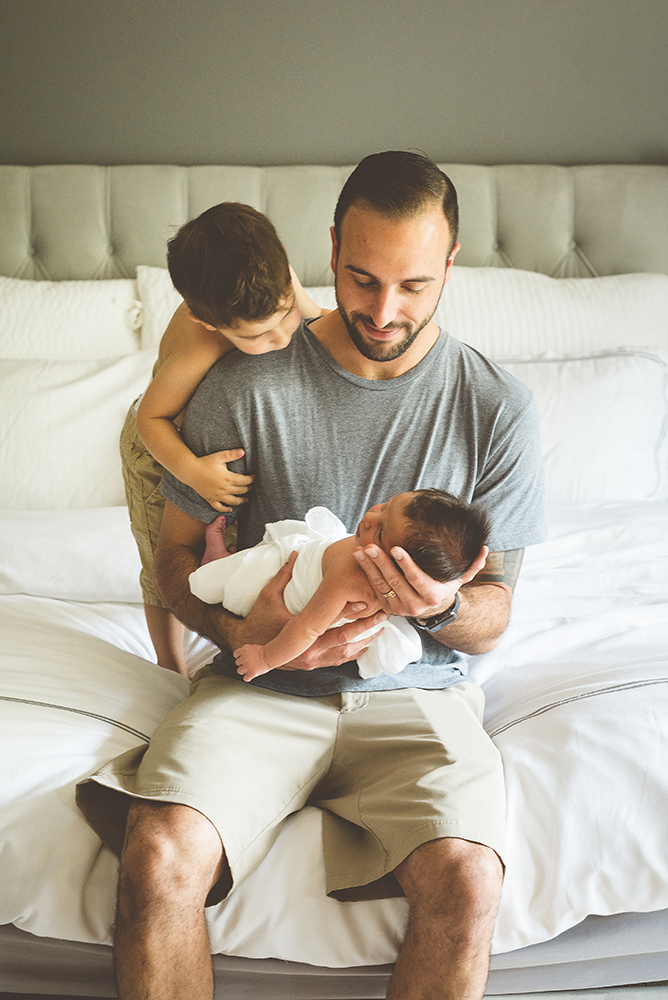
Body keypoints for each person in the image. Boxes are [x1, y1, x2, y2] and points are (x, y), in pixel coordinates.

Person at [77, 150, 547, 1000]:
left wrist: (438, 607)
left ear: (451, 266)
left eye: (412, 286)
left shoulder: (496, 408)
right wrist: (239, 632)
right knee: (156, 857)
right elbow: (174, 559)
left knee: (469, 880)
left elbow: (495, 613)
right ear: (327, 251)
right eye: (362, 280)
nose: (382, 309)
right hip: (259, 690)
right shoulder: (242, 374)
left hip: (417, 698)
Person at [120, 201, 326, 676]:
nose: (280, 339)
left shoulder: (279, 283)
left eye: (284, 317)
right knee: (164, 555)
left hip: (221, 444)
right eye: (258, 337)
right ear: (209, 322)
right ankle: (169, 660)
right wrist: (191, 472)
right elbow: (151, 418)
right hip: (164, 447)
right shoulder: (200, 340)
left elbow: (317, 319)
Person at [189, 489, 491, 681]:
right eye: (386, 506)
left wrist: (265, 657)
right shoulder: (362, 558)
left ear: (401, 571)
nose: (370, 516)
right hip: (298, 558)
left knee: (209, 585)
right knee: (223, 575)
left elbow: (306, 627)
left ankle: (215, 563)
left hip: (284, 588)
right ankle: (218, 560)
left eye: (381, 532)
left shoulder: (350, 579)